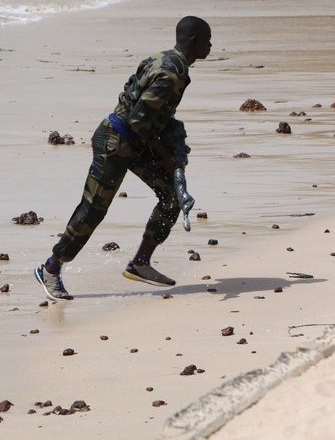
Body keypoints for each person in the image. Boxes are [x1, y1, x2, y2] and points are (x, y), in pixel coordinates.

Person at [34, 16, 212, 300]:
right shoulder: (171, 73)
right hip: (115, 142)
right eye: (207, 40)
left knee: (172, 196)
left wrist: (175, 143)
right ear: (193, 41)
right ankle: (50, 269)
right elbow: (139, 119)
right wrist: (166, 157)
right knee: (93, 210)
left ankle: (140, 263)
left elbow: (148, 106)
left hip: (136, 143)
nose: (211, 45)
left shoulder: (163, 60)